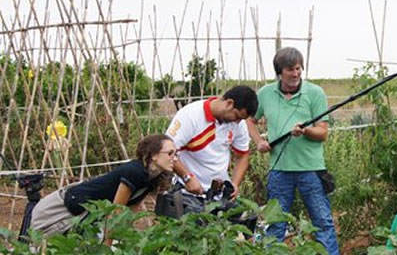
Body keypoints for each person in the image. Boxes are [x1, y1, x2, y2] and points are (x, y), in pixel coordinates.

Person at [246, 47, 347, 255]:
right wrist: (258, 142)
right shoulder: (265, 94)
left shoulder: (315, 93)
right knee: (275, 224)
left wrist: (306, 130)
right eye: (290, 70)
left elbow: (323, 133)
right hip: (279, 171)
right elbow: (250, 120)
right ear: (279, 73)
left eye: (299, 68)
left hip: (310, 170)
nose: (296, 73)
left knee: (322, 222)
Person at [30, 134, 176, 239]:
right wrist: (107, 246)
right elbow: (116, 212)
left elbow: (128, 214)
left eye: (176, 154)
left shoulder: (151, 179)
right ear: (154, 155)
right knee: (41, 252)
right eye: (170, 153)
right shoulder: (135, 171)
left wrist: (126, 238)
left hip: (89, 217)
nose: (174, 158)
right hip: (61, 210)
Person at [166, 86, 258, 198]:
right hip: (187, 192)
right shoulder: (190, 115)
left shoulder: (238, 124)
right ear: (229, 103)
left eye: (241, 119)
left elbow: (243, 155)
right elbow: (167, 151)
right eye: (237, 116)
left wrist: (235, 183)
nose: (238, 122)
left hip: (218, 194)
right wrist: (187, 177)